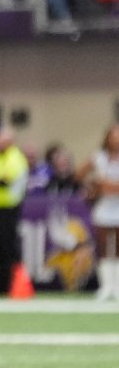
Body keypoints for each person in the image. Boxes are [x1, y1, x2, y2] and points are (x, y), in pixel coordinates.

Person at [0, 126, 29, 295]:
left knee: (10, 247)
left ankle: (16, 285)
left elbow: (4, 181)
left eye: (1, 140)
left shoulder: (15, 157)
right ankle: (2, 285)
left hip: (10, 207)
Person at [77, 124, 119, 301]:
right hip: (103, 207)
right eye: (114, 135)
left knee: (117, 248)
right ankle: (106, 286)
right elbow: (79, 175)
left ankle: (117, 287)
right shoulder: (99, 157)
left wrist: (110, 186)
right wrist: (93, 186)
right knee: (102, 248)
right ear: (107, 138)